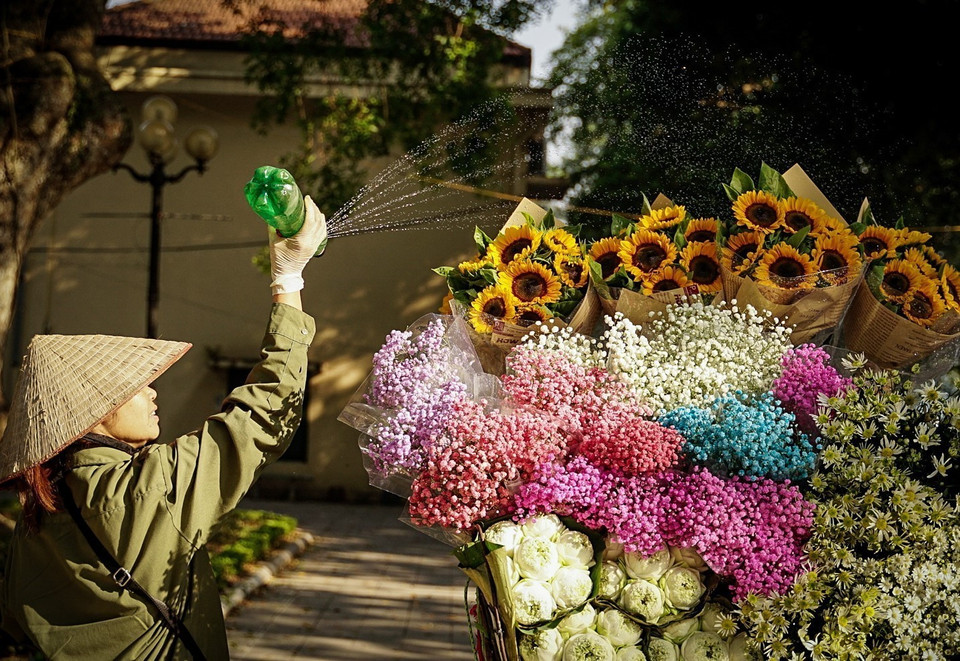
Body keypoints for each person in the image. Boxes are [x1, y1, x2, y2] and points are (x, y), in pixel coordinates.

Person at [0, 196, 327, 660]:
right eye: (137, 386)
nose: (153, 393)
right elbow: (265, 412)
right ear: (94, 413)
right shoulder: (147, 488)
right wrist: (288, 277)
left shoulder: (34, 517)